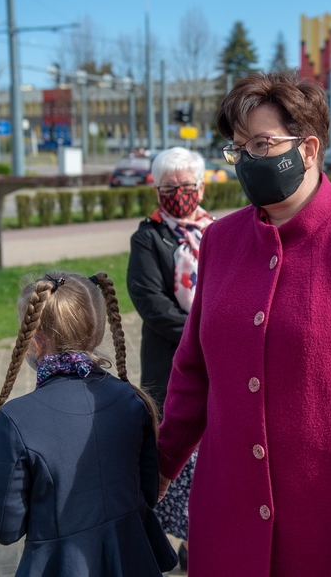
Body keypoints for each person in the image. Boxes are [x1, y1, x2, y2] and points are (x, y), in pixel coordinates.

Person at [155, 72, 331, 576]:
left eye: (262, 144)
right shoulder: (221, 242)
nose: (247, 159)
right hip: (232, 522)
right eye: (238, 147)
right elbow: (193, 374)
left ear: (308, 149)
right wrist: (158, 466)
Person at [0, 271, 177, 576]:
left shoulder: (16, 419)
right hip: (133, 559)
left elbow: (5, 530)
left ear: (34, 342)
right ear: (96, 330)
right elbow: (148, 493)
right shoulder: (132, 400)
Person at [126, 146, 214, 568]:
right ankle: (176, 540)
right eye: (169, 187)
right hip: (171, 366)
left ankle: (202, 538)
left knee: (214, 462)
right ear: (157, 188)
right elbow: (150, 302)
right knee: (177, 459)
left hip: (221, 369)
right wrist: (207, 334)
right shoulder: (148, 236)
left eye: (187, 186)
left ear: (201, 185)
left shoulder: (220, 230)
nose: (179, 193)